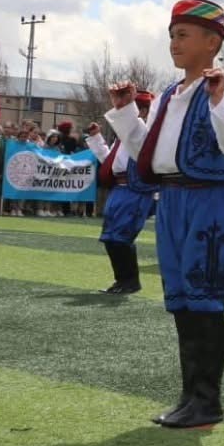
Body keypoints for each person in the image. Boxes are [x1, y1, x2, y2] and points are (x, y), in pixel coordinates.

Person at [105, 0, 224, 428]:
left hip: (210, 198)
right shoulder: (171, 94)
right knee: (181, 297)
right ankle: (191, 396)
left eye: (183, 34)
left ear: (212, 42)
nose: (174, 42)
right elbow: (146, 152)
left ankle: (206, 401)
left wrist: (220, 98)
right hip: (171, 199)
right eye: (172, 34)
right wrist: (126, 111)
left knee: (203, 293)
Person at [84, 89, 158, 294]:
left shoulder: (142, 131)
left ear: (142, 111)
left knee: (121, 236)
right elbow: (112, 161)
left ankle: (130, 280)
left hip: (135, 190)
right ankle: (122, 279)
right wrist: (97, 139)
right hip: (120, 188)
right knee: (110, 237)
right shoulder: (125, 135)